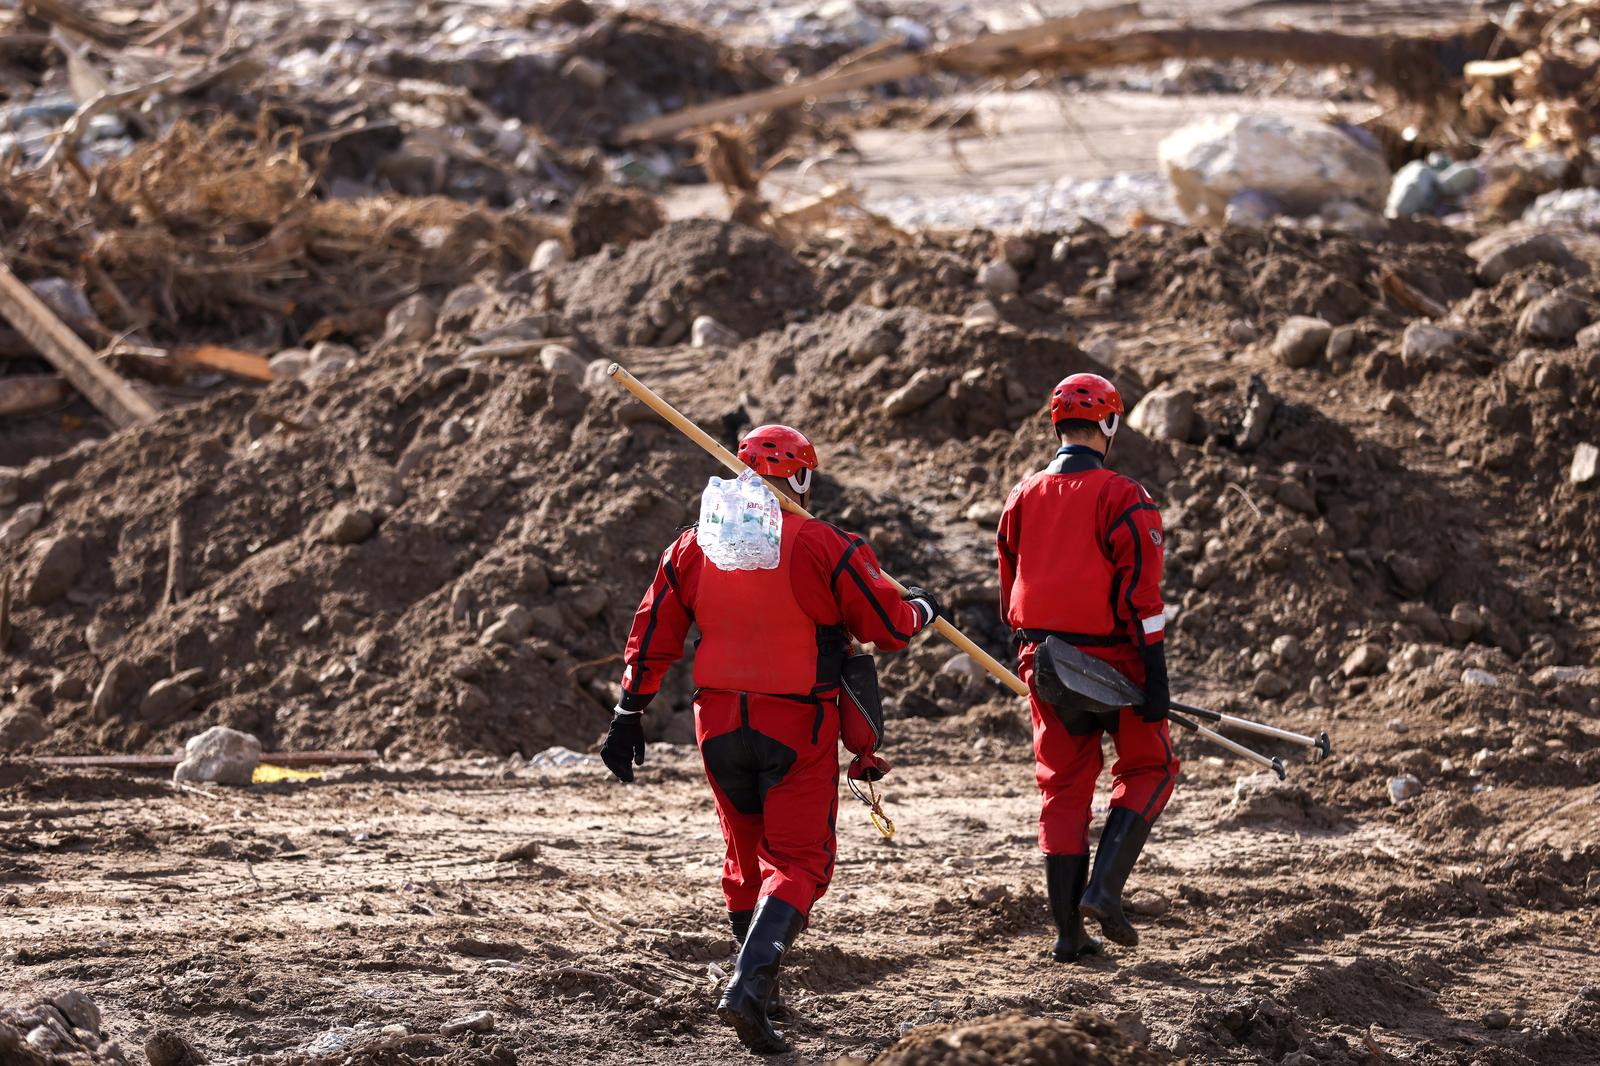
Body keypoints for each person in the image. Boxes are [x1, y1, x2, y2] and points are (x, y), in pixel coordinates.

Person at [602, 423, 940, 1054]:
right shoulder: (825, 544)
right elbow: (889, 626)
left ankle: (765, 989)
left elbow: (653, 632)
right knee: (800, 862)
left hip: (718, 725)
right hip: (796, 724)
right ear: (802, 479)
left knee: (745, 855)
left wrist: (629, 711)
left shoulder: (693, 545)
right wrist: (923, 607)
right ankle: (749, 990)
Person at [996, 373, 1177, 962]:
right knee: (1151, 766)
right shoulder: (1126, 496)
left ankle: (1068, 935)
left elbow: (1008, 594)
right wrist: (1157, 679)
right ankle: (1104, 889)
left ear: (1057, 427)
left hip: (1043, 661)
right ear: (1109, 424)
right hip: (1116, 661)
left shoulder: (1020, 496)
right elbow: (1143, 602)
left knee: (1064, 788)